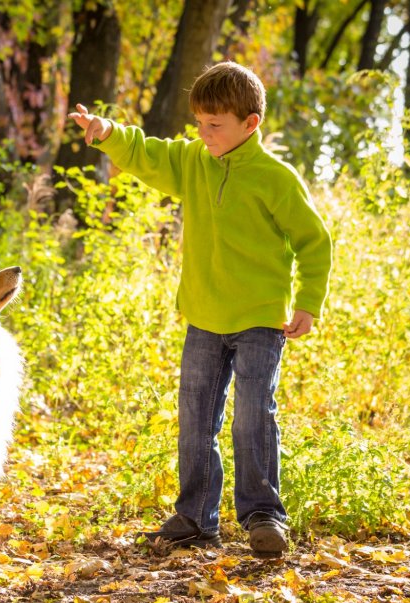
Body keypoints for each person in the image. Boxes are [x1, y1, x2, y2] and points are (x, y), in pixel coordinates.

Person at [69, 61, 332, 557]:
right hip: (204, 317)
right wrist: (106, 133)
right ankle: (195, 516)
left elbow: (314, 242)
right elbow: (148, 153)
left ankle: (263, 516)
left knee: (253, 417)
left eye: (216, 125)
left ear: (250, 124)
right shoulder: (192, 161)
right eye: (199, 124)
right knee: (196, 419)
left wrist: (308, 303)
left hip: (260, 318)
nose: (204, 134)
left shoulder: (276, 178)